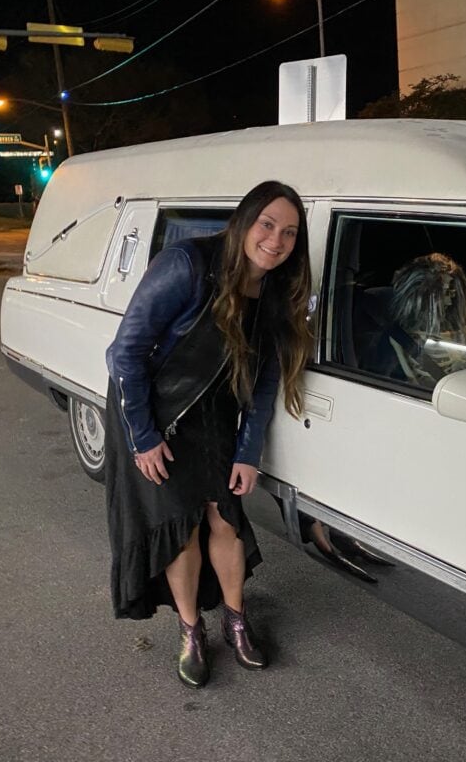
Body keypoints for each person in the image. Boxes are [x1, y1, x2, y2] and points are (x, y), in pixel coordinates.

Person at [103, 180, 312, 689]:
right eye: (267, 224)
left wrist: (249, 451)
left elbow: (264, 381)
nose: (276, 240)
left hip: (214, 416)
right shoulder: (188, 264)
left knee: (226, 519)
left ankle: (236, 620)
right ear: (244, 220)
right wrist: (144, 436)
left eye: (288, 232)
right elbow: (124, 353)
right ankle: (191, 630)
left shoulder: (276, 290)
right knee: (181, 527)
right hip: (157, 413)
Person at [374, 253, 466, 388]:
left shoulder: (462, 332)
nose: (449, 301)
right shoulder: (402, 339)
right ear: (424, 297)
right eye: (444, 294)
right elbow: (413, 382)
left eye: (452, 293)